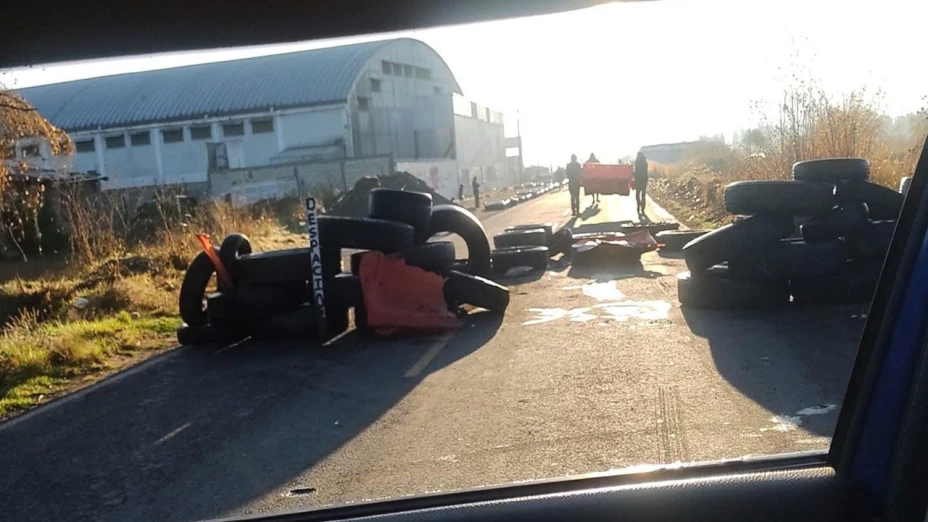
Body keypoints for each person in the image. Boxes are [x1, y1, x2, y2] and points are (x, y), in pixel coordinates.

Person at [634, 151, 649, 215]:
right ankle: (642, 209)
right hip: (644, 181)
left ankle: (638, 206)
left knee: (637, 195)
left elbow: (636, 171)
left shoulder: (637, 161)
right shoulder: (645, 162)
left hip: (638, 180)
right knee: (643, 195)